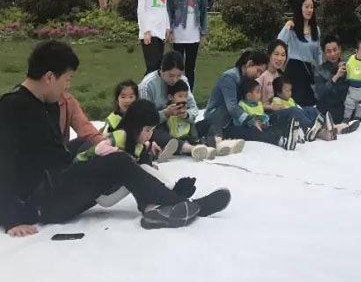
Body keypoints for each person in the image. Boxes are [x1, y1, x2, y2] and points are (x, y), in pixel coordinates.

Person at [0, 40, 230, 235]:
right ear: (50, 77)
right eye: (67, 79)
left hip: (56, 179)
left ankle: (156, 201)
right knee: (118, 161)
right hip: (42, 201)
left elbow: (64, 143)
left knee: (100, 147)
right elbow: (4, 162)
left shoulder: (44, 103)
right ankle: (180, 203)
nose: (67, 86)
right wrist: (11, 218)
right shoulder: (13, 106)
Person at [202, 50, 297, 150]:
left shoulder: (245, 78)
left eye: (261, 73)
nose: (258, 76)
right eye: (258, 71)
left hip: (235, 119)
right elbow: (232, 108)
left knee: (265, 121)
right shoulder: (229, 78)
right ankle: (281, 141)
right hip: (220, 122)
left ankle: (286, 135)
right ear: (249, 64)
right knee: (252, 130)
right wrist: (251, 120)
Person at [139, 51, 200, 150]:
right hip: (156, 128)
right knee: (154, 134)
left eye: (179, 75)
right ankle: (190, 149)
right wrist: (166, 113)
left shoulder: (183, 80)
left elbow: (194, 108)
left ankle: (216, 141)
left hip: (180, 125)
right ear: (162, 70)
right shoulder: (147, 85)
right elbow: (145, 120)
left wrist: (186, 115)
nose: (175, 80)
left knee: (209, 123)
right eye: (171, 76)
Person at [167, 0, 209, 90]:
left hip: (194, 35)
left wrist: (204, 33)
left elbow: (204, 11)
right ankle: (175, 92)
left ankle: (188, 93)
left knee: (190, 67)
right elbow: (169, 10)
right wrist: (170, 30)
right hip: (178, 34)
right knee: (176, 67)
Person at [278, 0, 322, 106]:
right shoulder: (293, 28)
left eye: (311, 7)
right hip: (294, 69)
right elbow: (279, 43)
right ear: (300, 8)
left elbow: (318, 52)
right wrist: (287, 27)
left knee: (311, 103)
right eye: (306, 7)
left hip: (308, 69)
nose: (309, 10)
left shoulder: (316, 29)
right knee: (296, 102)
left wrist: (320, 70)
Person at [136, 0, 171, 75]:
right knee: (152, 68)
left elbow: (164, 7)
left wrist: (167, 27)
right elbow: (141, 9)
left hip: (161, 31)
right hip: (149, 32)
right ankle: (144, 88)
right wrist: (145, 31)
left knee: (158, 67)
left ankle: (149, 87)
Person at [164, 81, 214, 160]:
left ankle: (210, 144)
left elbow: (191, 123)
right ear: (170, 97)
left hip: (189, 137)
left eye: (185, 96)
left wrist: (186, 116)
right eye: (180, 96)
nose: (183, 99)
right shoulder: (167, 110)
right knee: (179, 144)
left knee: (209, 122)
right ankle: (199, 149)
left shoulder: (186, 109)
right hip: (176, 139)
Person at [56, 90, 106, 157]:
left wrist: (103, 143)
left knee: (86, 142)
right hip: (46, 154)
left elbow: (83, 126)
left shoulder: (67, 100)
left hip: (61, 150)